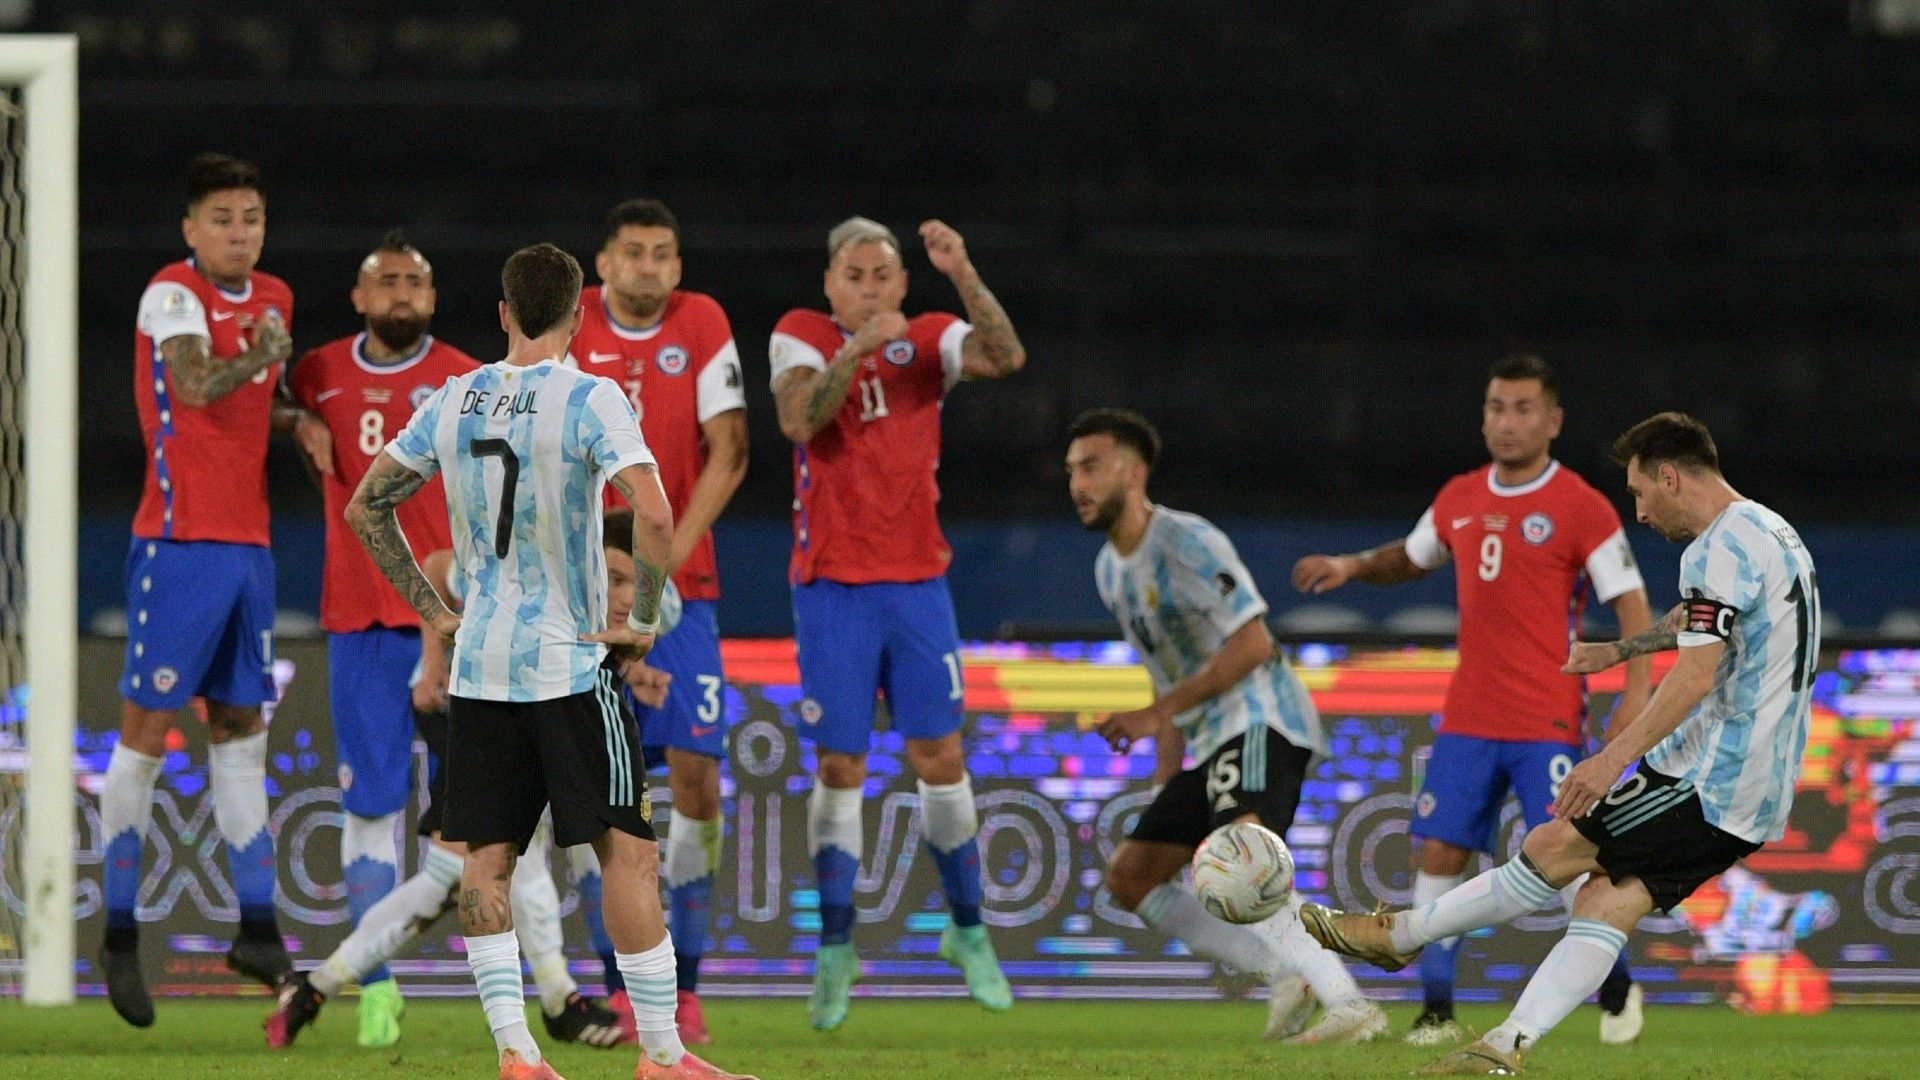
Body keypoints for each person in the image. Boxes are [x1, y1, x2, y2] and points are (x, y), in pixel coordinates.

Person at [1301, 411, 1820, 1075]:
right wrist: (1622, 650)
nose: (1640, 512)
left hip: (1712, 777)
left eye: (1640, 492)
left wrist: (1608, 761)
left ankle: (1397, 936)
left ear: (1669, 477)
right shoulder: (1771, 531)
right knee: (1608, 900)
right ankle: (1505, 1046)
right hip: (1757, 788)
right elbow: (1707, 624)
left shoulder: (1713, 548)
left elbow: (1695, 676)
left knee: (1553, 846)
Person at [346, 242, 751, 1080]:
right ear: (577, 316)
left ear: (503, 314)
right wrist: (643, 620)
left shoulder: (452, 398)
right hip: (567, 666)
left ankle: (516, 1053)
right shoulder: (591, 397)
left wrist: (433, 609)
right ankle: (663, 1056)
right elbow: (653, 513)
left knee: (485, 862)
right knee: (627, 853)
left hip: (479, 672)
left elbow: (367, 506)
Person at [1289, 355, 1654, 1045]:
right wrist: (1351, 565)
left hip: (1547, 718)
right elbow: (1412, 555)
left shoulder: (1581, 505)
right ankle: (1436, 1011)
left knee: (1567, 862)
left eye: (1522, 408)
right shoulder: (1460, 496)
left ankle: (1616, 990)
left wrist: (1636, 693)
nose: (1506, 422)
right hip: (1467, 718)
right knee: (1438, 856)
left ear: (1553, 421)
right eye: (1495, 408)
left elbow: (1631, 602)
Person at [768, 216, 1025, 1031]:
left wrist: (964, 270)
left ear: (904, 282)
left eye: (883, 273)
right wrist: (857, 348)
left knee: (940, 757)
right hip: (832, 586)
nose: (870, 287)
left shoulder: (929, 336)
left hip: (917, 583)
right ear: (830, 284)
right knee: (841, 765)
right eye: (855, 274)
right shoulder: (801, 335)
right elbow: (800, 420)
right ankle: (836, 948)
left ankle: (969, 930)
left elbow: (1005, 357)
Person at [1067, 409, 1387, 1045]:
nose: (1077, 484)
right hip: (1211, 739)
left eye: (1092, 467)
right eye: (1072, 470)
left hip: (1262, 715)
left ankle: (1349, 1004)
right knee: (1132, 877)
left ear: (1134, 473)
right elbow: (1163, 676)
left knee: (1244, 853)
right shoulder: (1109, 571)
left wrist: (1155, 716)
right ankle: (1283, 970)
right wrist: (1167, 775)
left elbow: (1254, 643)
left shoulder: (1185, 541)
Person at [101, 152, 332, 1027]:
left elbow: (248, 403)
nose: (240, 233)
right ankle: (119, 934)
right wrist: (263, 355)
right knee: (146, 732)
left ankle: (259, 930)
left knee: (240, 728)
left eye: (252, 219)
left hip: (249, 546)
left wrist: (297, 415)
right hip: (178, 541)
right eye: (223, 219)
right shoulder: (172, 292)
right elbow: (196, 385)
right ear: (191, 229)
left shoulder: (274, 295)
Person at [266, 524, 642, 1053]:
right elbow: (437, 568)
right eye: (617, 578)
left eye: (631, 581)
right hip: (470, 700)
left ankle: (314, 988)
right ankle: (560, 1001)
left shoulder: (630, 592)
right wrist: (435, 658)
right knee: (515, 843)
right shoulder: (538, 566)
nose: (624, 594)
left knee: (451, 874)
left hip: (512, 703)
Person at [285, 229, 481, 1045]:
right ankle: (375, 986)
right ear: (360, 297)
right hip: (360, 620)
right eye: (387, 281)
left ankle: (537, 987)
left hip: (453, 623)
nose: (402, 292)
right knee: (369, 809)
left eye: (414, 281)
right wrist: (296, 418)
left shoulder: (468, 380)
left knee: (482, 822)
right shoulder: (320, 371)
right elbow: (269, 403)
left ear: (432, 298)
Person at [566, 199, 748, 1045]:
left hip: (686, 588)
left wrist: (662, 558)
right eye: (634, 252)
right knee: (597, 788)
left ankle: (688, 984)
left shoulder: (701, 319)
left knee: (698, 780)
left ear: (678, 264)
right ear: (605, 262)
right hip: (581, 593)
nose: (650, 266)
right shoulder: (569, 324)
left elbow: (731, 450)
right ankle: (618, 987)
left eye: (663, 253)